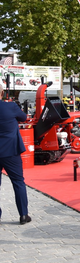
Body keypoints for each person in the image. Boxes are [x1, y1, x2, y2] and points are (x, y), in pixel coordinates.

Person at [0, 83, 31, 224]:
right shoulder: (10, 106)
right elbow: (24, 117)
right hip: (10, 151)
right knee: (18, 182)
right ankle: (23, 215)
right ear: (2, 93)